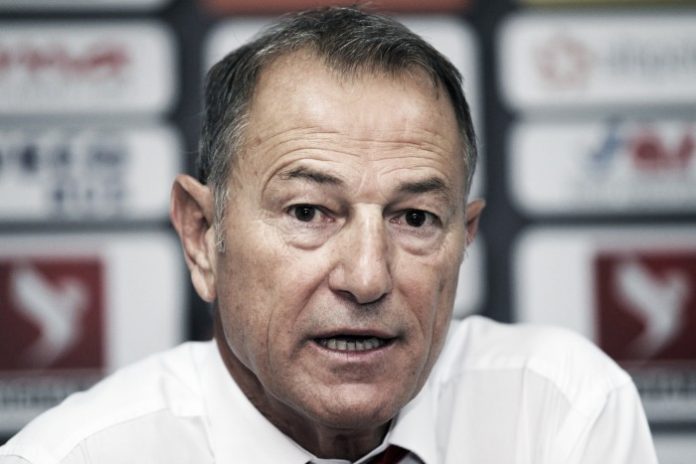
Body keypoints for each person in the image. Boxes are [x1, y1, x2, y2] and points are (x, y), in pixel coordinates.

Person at [0, 6, 657, 464]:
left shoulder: (562, 414)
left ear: (465, 239)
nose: (367, 277)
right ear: (202, 235)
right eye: (309, 212)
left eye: (415, 218)